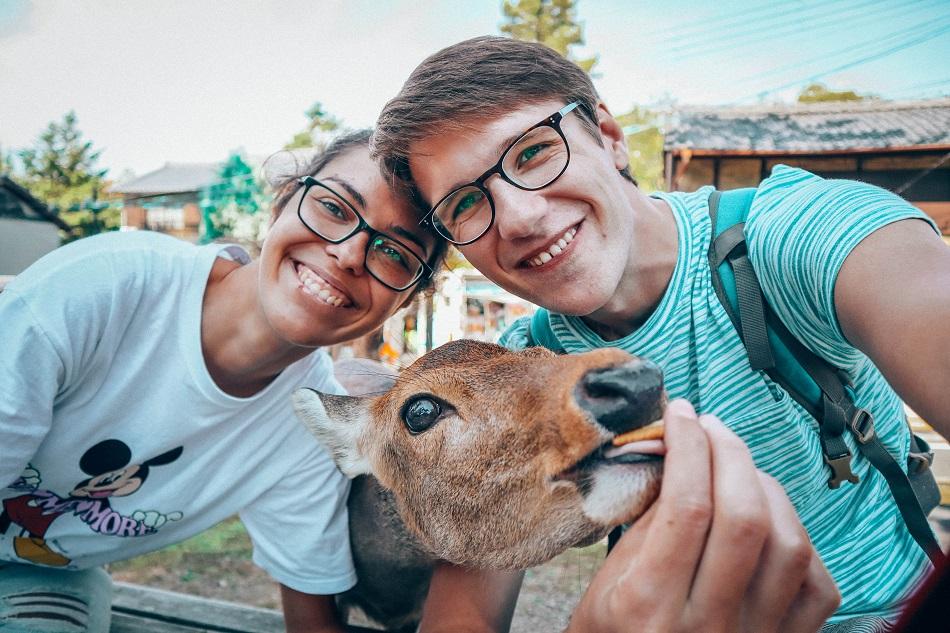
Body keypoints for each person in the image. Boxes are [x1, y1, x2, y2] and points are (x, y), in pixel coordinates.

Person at [372, 36, 950, 631]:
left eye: (534, 152)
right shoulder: (518, 371)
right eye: (466, 203)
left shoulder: (792, 237)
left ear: (610, 138)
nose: (521, 217)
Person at [0, 129, 519, 633]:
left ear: (403, 300)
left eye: (393, 253)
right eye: (335, 208)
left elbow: (311, 620)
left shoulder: (306, 422)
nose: (348, 253)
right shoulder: (103, 289)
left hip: (39, 573)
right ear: (283, 203)